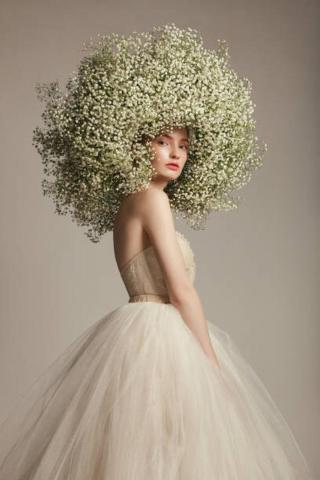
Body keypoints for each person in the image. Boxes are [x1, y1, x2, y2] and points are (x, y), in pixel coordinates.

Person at [0, 24, 315, 479]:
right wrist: (212, 366)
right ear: (136, 142)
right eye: (163, 141)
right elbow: (180, 289)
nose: (176, 153)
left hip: (132, 337)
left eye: (184, 145)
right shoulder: (153, 199)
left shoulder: (130, 203)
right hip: (164, 342)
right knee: (168, 454)